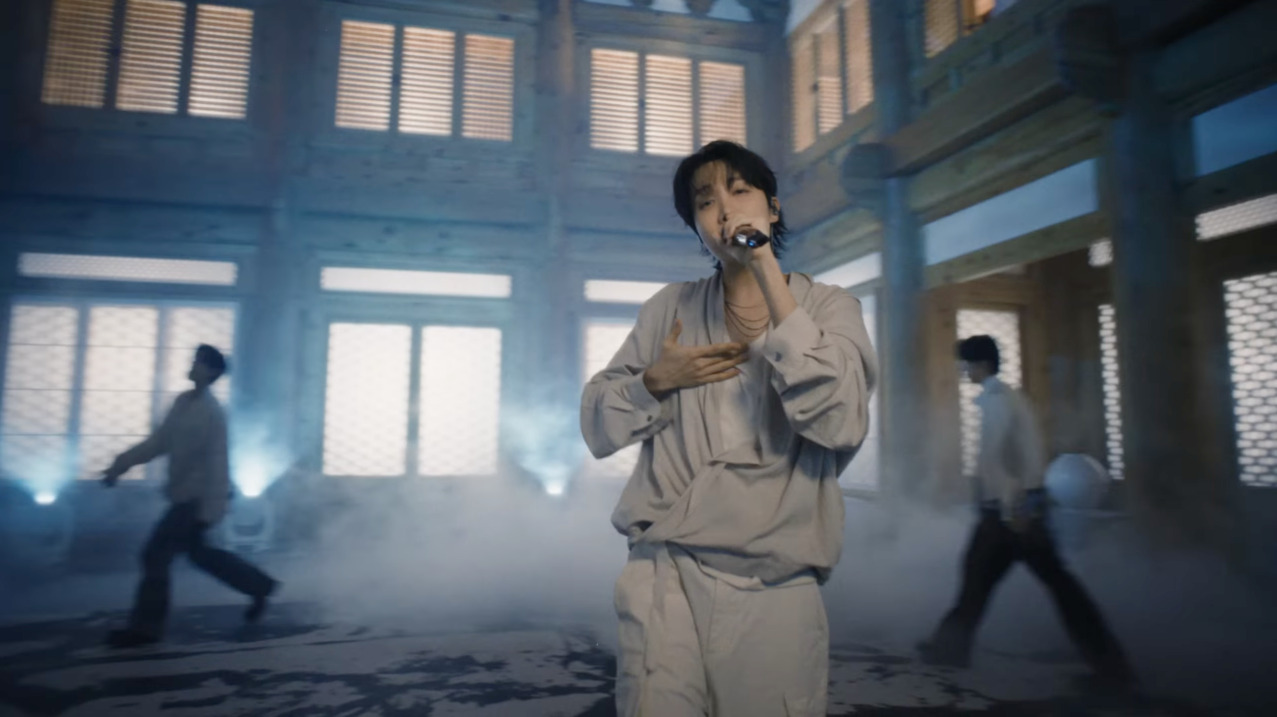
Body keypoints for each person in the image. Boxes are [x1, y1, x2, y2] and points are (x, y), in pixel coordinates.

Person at [581, 140, 877, 716]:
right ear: (696, 227)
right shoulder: (670, 308)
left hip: (776, 581)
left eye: (739, 191)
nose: (724, 210)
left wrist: (763, 265)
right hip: (666, 570)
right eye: (704, 202)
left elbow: (840, 420)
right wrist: (654, 381)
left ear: (773, 207)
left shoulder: (830, 307)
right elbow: (597, 422)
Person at [918, 335, 1134, 688]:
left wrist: (1010, 506)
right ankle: (948, 648)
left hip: (1012, 511)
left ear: (981, 364)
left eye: (965, 365)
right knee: (981, 579)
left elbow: (1000, 457)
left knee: (1051, 586)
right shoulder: (1006, 397)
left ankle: (1113, 670)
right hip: (1013, 508)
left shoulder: (999, 401)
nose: (963, 372)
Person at [102, 344, 278, 648]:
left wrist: (211, 511)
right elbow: (159, 442)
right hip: (185, 498)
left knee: (155, 555)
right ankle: (259, 587)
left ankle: (146, 629)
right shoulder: (183, 403)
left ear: (211, 372)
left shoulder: (212, 413)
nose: (193, 365)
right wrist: (121, 464)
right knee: (201, 555)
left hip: (194, 501)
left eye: (199, 362)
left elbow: (217, 465)